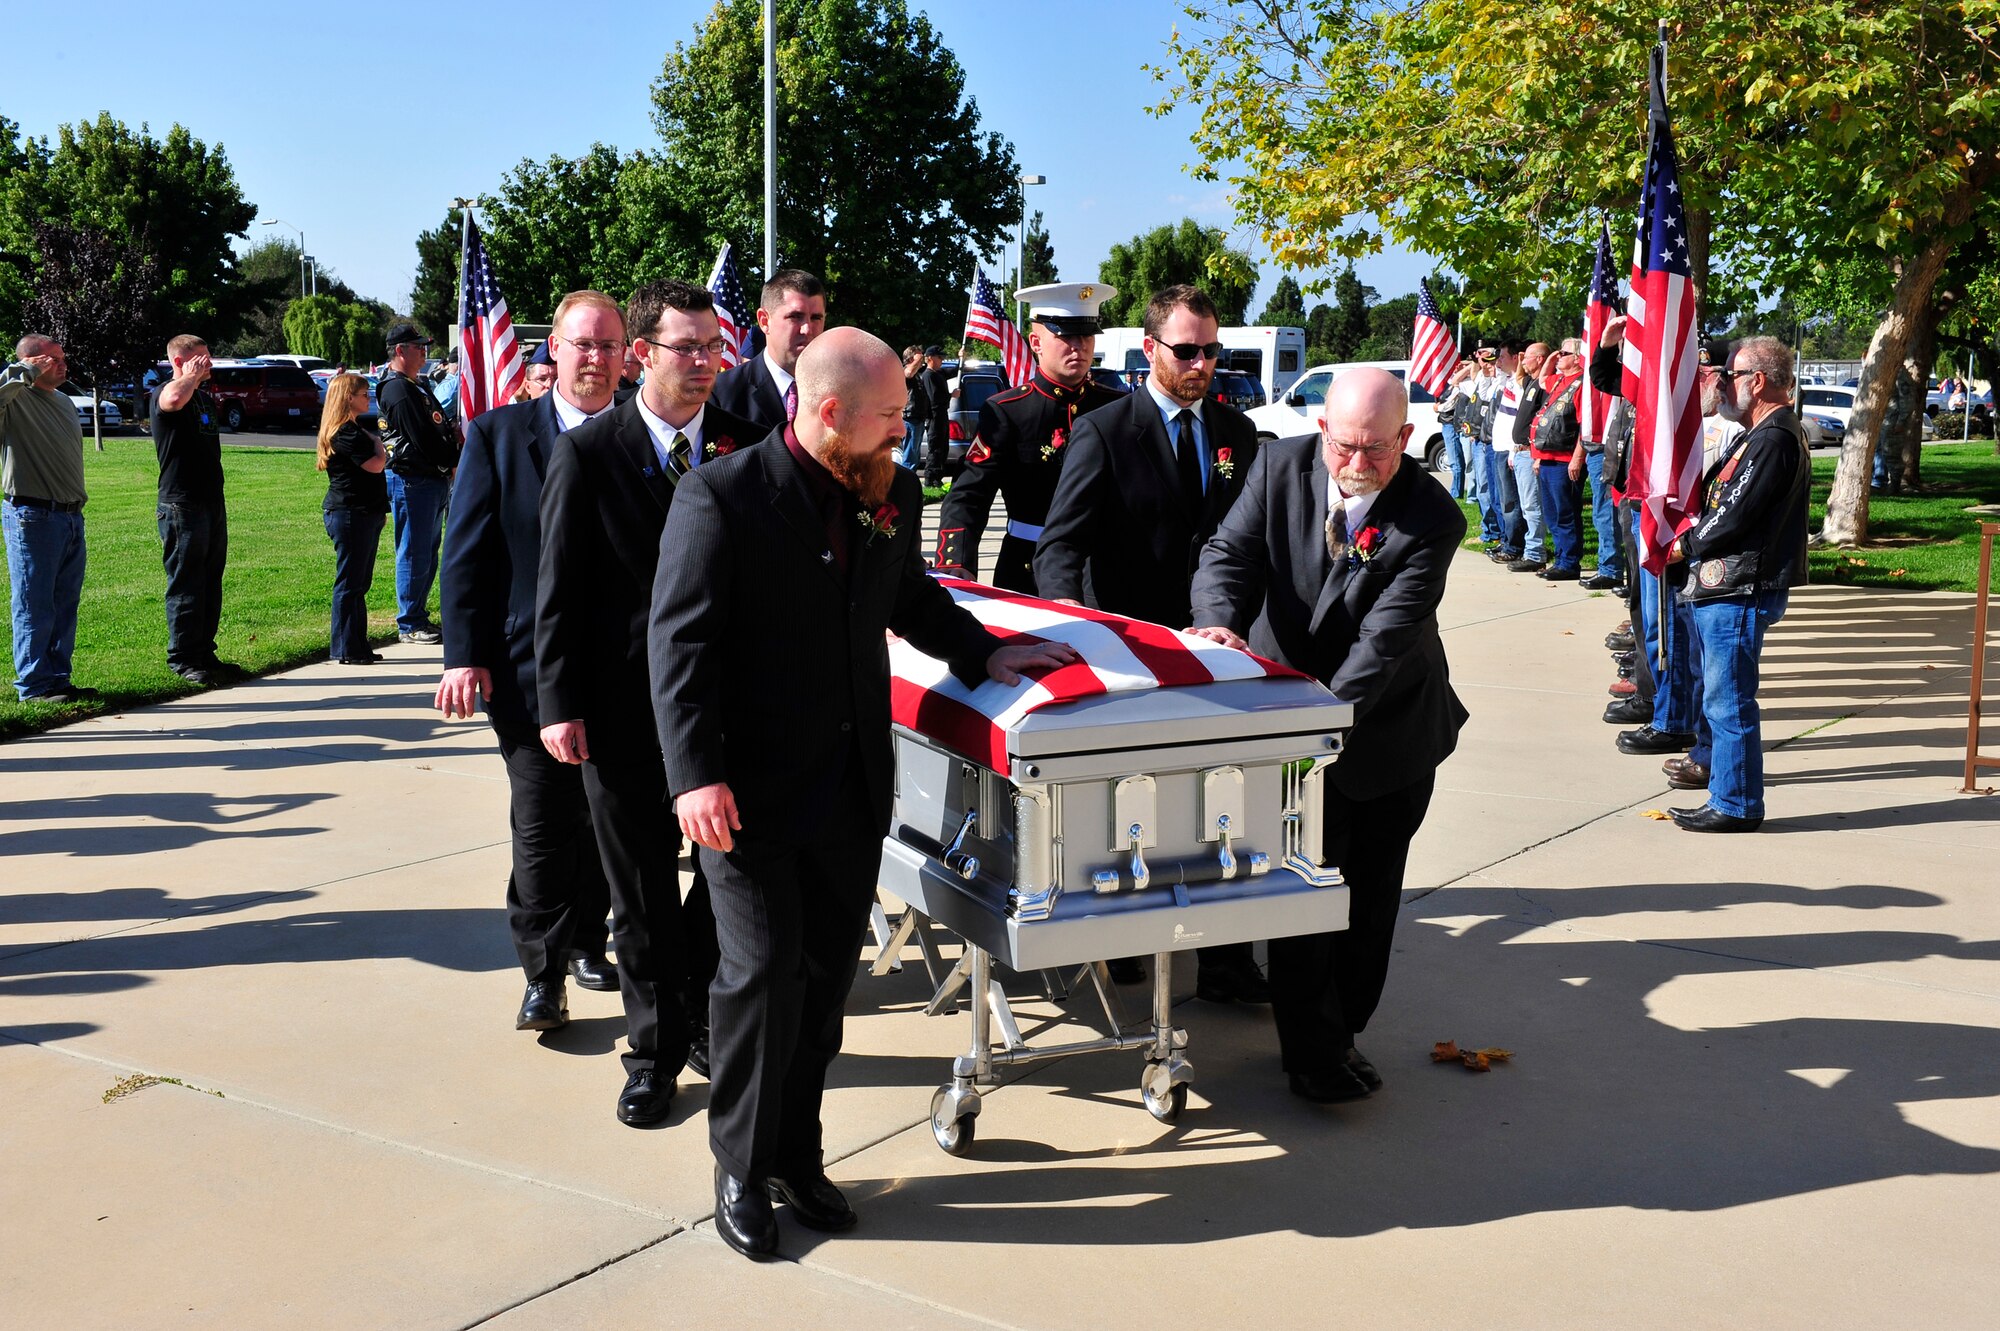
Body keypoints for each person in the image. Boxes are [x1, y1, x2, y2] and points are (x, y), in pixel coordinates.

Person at [651, 327, 1075, 1259]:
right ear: (829, 412)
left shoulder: (888, 490)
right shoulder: (720, 497)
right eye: (889, 418)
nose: (904, 434)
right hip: (745, 799)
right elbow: (677, 649)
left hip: (849, 794)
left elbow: (908, 597)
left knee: (823, 983)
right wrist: (694, 777)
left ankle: (798, 1154)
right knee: (759, 975)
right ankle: (741, 1163)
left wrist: (988, 651)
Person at [1190, 367, 1467, 1102]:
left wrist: (1312, 731)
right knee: (1302, 897)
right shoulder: (1279, 466)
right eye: (1345, 445)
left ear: (1405, 439)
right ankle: (1313, 1055)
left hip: (1383, 732)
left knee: (1368, 902)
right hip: (1287, 726)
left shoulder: (1431, 518)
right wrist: (1218, 621)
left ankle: (1342, 1031)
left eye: (1377, 449)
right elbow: (1228, 555)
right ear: (1322, 432)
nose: (1357, 463)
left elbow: (1380, 645)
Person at [535, 279, 759, 1128]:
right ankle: (655, 1052)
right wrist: (559, 701)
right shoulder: (590, 453)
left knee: (728, 878)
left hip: (726, 716)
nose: (703, 364)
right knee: (638, 898)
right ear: (643, 355)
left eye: (713, 347)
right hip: (623, 713)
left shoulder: (744, 444)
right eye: (685, 348)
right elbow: (558, 591)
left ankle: (693, 1010)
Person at [1035, 284, 1269, 1001]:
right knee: (1135, 810)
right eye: (1187, 350)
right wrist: (1073, 625)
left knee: (1227, 803)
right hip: (1130, 651)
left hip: (1217, 647)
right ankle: (1127, 937)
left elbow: (1246, 541)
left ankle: (1227, 961)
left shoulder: (1237, 432)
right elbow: (1060, 546)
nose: (1202, 364)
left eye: (1212, 350)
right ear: (1149, 350)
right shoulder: (1106, 431)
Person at [437, 291, 621, 1035]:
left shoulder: (649, 436)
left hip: (624, 671)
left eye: (609, 346)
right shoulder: (499, 436)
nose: (595, 358)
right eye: (582, 344)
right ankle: (543, 974)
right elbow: (467, 555)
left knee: (603, 819)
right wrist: (463, 654)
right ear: (555, 351)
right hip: (525, 671)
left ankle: (585, 939)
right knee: (543, 819)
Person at [1669, 335, 1811, 833]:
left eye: (1730, 376)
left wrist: (1683, 546)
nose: (1722, 385)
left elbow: (1736, 513)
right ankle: (1731, 797)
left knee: (1728, 701)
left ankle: (1735, 804)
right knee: (1722, 698)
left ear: (1758, 380)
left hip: (1741, 586)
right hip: (1729, 584)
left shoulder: (1773, 437)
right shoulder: (1758, 433)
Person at [934, 281, 1124, 591]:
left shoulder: (1117, 407)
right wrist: (955, 564)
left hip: (1103, 571)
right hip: (1028, 568)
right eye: (1065, 335)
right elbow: (969, 494)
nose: (1079, 345)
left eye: (1087, 334)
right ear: (1036, 342)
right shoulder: (1009, 411)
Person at [1, 334, 94, 702]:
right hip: (32, 516)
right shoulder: (14, 401)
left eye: (61, 357)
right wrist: (22, 371)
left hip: (71, 518)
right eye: (51, 359)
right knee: (33, 604)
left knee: (64, 604)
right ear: (30, 362)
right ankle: (33, 686)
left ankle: (57, 678)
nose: (61, 363)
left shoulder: (64, 402)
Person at [149, 333, 239, 684]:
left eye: (208, 356)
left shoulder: (201, 398)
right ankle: (183, 657)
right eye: (200, 358)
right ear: (178, 362)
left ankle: (204, 652)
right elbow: (172, 398)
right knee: (186, 581)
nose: (208, 364)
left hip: (210, 501)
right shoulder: (166, 392)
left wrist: (195, 378)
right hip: (180, 504)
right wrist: (188, 375)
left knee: (209, 579)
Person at [379, 323, 460, 645]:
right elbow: (423, 437)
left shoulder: (417, 385)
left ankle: (417, 616)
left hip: (430, 478)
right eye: (418, 347)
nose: (424, 352)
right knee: (414, 551)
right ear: (400, 351)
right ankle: (410, 622)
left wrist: (452, 438)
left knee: (427, 551)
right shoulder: (397, 389)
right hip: (414, 479)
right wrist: (452, 457)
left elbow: (436, 425)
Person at [316, 373, 388, 666]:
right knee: (349, 582)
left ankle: (358, 644)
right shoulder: (343, 433)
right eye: (362, 393)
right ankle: (345, 647)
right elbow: (375, 465)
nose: (367, 398)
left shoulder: (354, 429)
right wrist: (380, 446)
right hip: (349, 513)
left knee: (360, 582)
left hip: (363, 513)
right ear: (348, 397)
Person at [709, 269, 827, 432]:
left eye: (816, 318)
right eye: (795, 317)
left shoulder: (838, 390)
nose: (807, 329)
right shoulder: (723, 394)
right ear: (764, 321)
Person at [1527, 338, 1586, 581]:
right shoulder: (1560, 380)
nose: (1559, 356)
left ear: (1578, 358)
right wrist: (1552, 358)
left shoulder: (1581, 384)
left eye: (1564, 353)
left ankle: (1570, 563)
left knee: (1565, 513)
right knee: (1552, 514)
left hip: (1565, 460)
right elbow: (1542, 380)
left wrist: (1576, 458)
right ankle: (1561, 559)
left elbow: (1585, 426)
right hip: (1548, 458)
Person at [1505, 342, 1551, 572]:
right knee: (1526, 505)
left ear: (1541, 359)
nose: (1522, 361)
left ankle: (1535, 553)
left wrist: (1538, 455)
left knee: (1533, 506)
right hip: (1521, 451)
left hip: (1531, 452)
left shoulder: (1543, 386)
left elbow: (1543, 421)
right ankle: (1531, 550)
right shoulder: (1531, 382)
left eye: (1527, 357)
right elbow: (1519, 375)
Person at [921, 346, 953, 488]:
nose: (942, 360)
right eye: (939, 357)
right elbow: (934, 397)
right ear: (929, 358)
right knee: (935, 447)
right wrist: (951, 395)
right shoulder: (928, 375)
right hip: (934, 415)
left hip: (942, 414)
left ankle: (937, 478)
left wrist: (961, 357)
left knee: (943, 447)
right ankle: (929, 478)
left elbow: (953, 370)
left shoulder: (939, 373)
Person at [899, 345, 929, 470]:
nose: (921, 358)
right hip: (910, 417)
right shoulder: (905, 370)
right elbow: (908, 372)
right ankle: (906, 482)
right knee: (910, 453)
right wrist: (918, 358)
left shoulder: (918, 374)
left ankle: (911, 481)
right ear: (911, 358)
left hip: (918, 417)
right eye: (917, 355)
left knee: (915, 453)